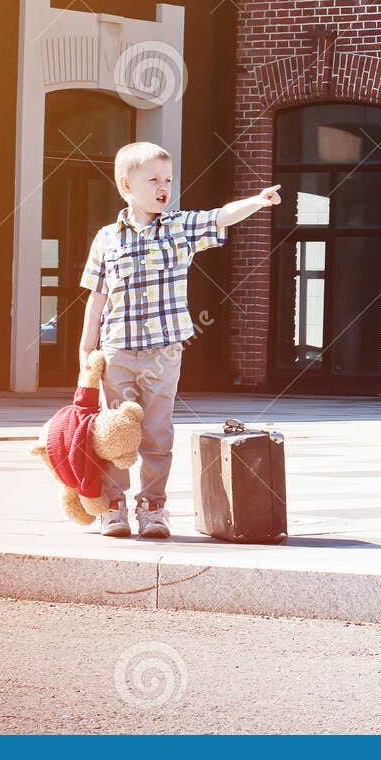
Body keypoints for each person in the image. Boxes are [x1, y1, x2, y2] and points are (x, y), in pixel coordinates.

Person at [77, 140, 280, 538]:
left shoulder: (179, 228)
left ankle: (153, 508)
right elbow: (96, 297)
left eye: (167, 179)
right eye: (152, 179)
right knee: (117, 434)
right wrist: (86, 349)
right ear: (126, 185)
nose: (162, 186)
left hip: (164, 352)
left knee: (157, 434)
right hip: (117, 350)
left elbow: (221, 217)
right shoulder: (106, 239)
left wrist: (256, 201)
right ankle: (113, 508)